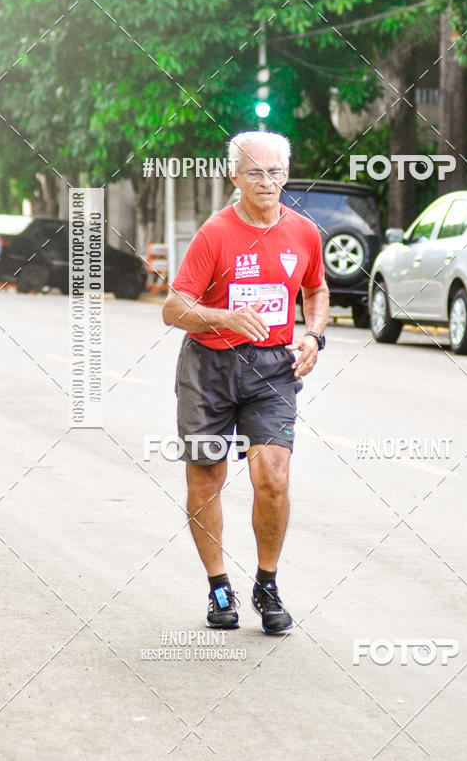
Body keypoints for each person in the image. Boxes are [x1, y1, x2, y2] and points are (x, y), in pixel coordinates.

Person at [163, 131, 329, 634]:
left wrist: (315, 337)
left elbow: (316, 289)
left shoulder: (304, 232)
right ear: (233, 176)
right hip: (209, 369)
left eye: (276, 171)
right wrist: (227, 319)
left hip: (272, 369)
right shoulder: (215, 233)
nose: (267, 181)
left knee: (273, 478)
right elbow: (174, 308)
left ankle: (267, 582)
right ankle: (218, 585)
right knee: (206, 476)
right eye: (255, 172)